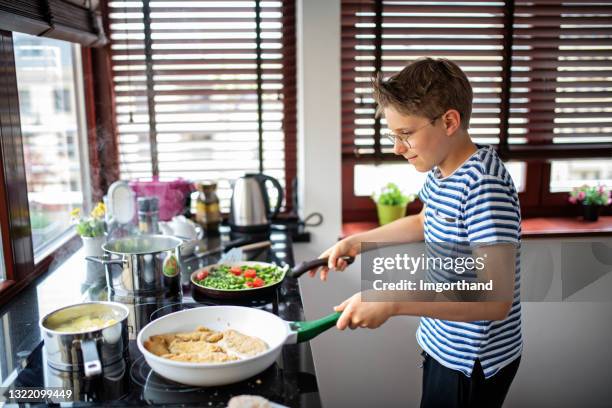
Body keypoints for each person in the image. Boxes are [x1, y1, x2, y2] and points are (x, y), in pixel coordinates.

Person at [312, 57, 522, 408]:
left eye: (406, 134)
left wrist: (390, 300)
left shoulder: (484, 186)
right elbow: (426, 220)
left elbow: (495, 299)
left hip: (472, 359)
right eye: (394, 136)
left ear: (449, 121)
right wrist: (356, 242)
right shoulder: (444, 171)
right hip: (444, 342)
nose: (397, 148)